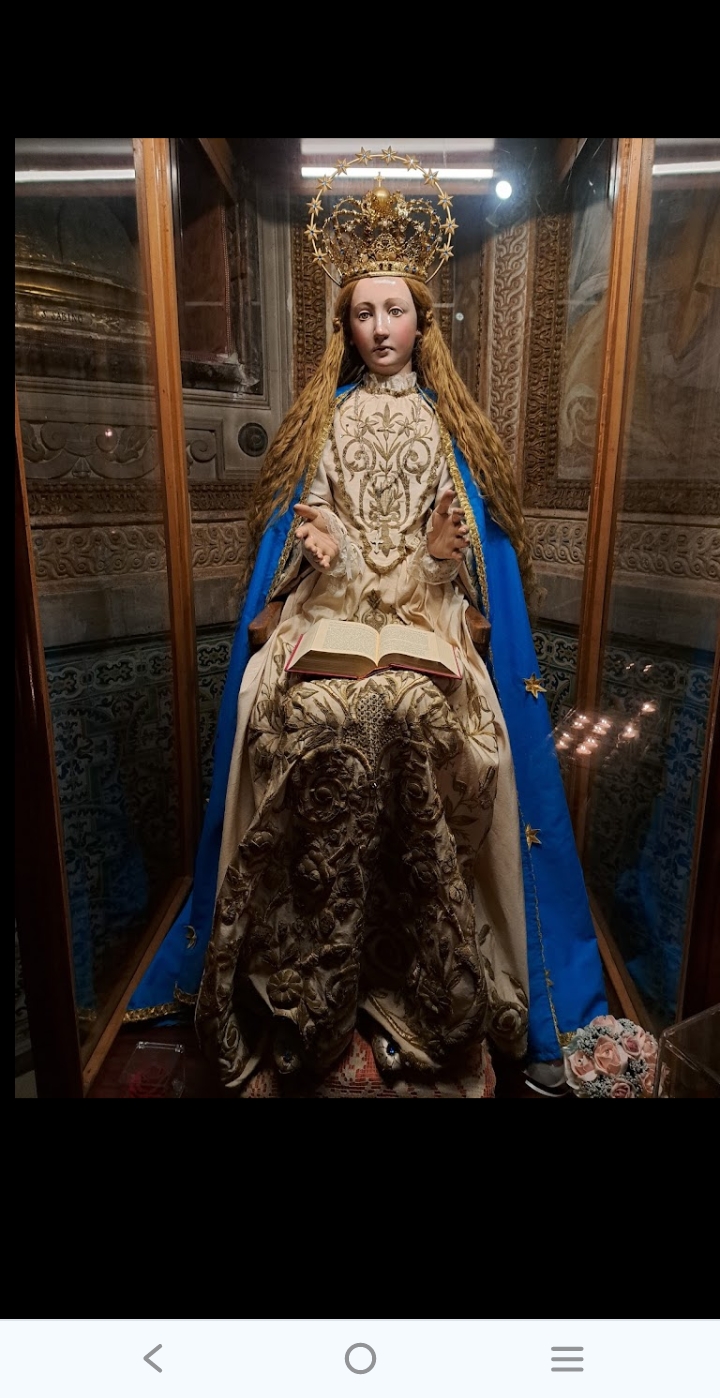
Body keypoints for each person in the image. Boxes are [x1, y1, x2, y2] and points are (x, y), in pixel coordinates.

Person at [128, 152, 606, 1092]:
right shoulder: (325, 425)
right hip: (332, 621)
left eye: (394, 310)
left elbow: (465, 580)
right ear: (344, 326)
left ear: (423, 319)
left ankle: (425, 983)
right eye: (362, 312)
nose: (380, 327)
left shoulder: (449, 431)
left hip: (426, 628)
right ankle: (313, 983)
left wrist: (440, 561)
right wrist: (319, 549)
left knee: (419, 718)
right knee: (312, 719)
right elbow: (299, 556)